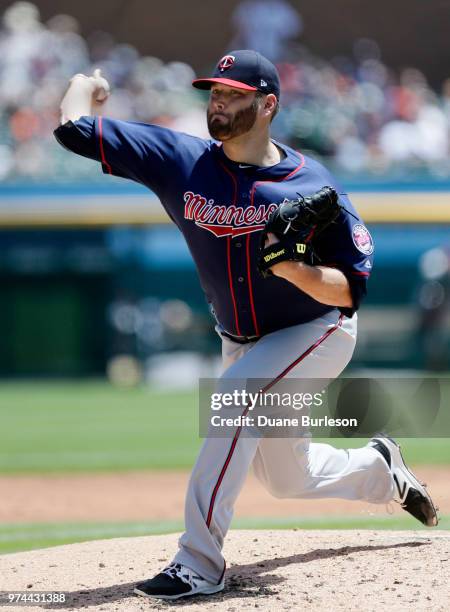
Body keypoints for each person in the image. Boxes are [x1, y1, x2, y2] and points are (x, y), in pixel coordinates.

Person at [54, 50, 438, 601]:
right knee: (288, 478)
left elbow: (351, 291)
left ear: (268, 104)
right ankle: (381, 468)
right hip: (243, 341)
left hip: (317, 331)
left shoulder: (311, 185)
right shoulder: (181, 160)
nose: (219, 100)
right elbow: (73, 132)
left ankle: (198, 564)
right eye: (215, 91)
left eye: (233, 93)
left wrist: (292, 268)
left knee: (234, 398)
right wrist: (81, 85)